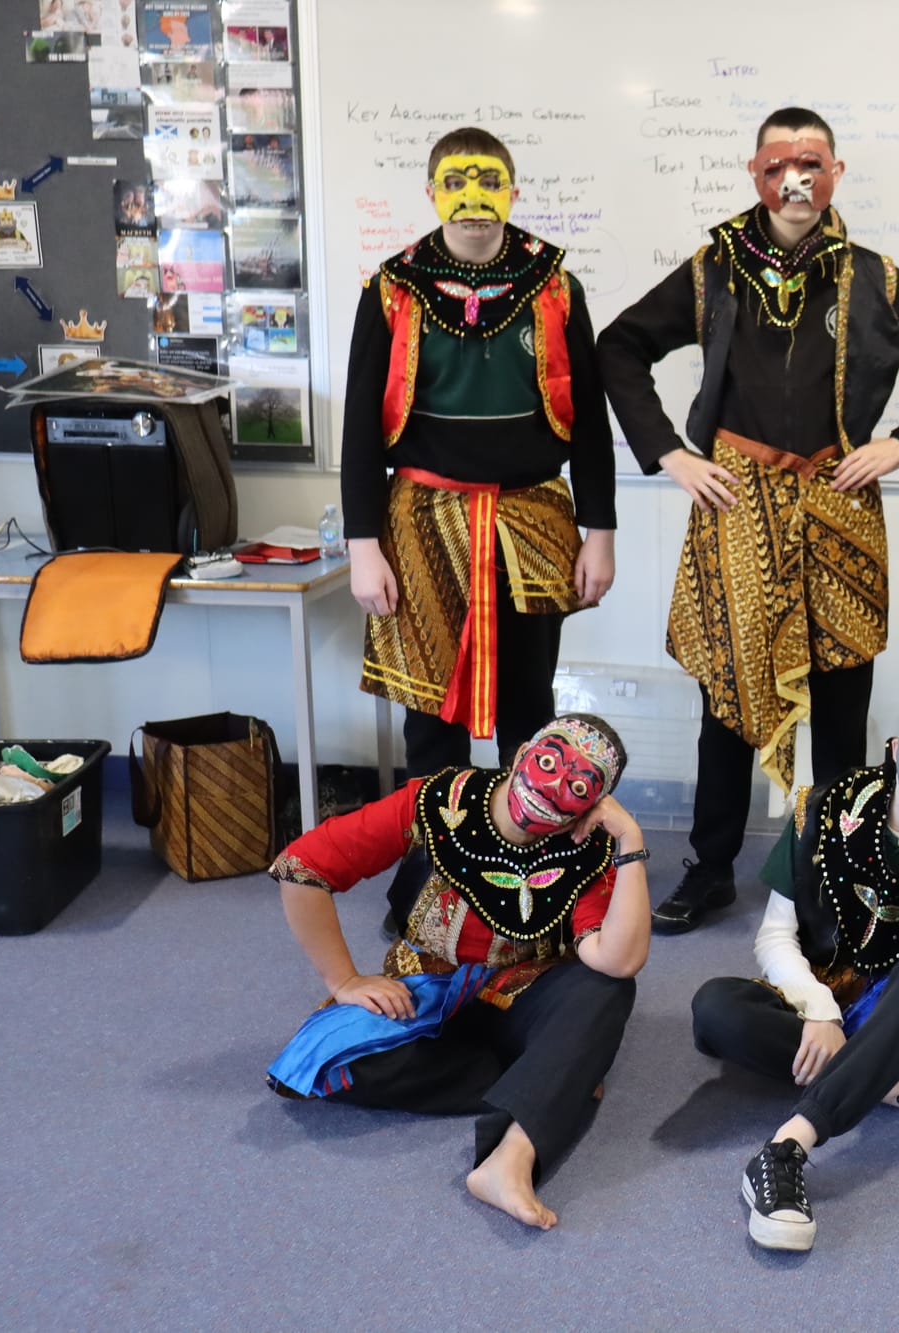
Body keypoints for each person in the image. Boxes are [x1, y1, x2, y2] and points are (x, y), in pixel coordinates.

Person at [598, 107, 899, 936]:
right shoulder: (715, 269)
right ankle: (711, 869)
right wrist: (671, 452)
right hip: (735, 499)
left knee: (844, 696)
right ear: (755, 173)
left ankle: (837, 869)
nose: (795, 181)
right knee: (729, 697)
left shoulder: (872, 276)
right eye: (779, 166)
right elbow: (618, 346)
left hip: (839, 497)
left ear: (836, 172)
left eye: (812, 164)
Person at [339, 127, 616, 930]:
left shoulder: (553, 283)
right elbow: (361, 425)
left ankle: (529, 880)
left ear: (512, 191)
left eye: (487, 181)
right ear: (432, 192)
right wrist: (364, 544)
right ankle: (433, 883)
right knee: (431, 716)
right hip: (420, 524)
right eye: (454, 182)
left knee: (531, 707)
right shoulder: (392, 288)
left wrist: (599, 528)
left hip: (531, 520)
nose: (472, 200)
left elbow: (590, 420)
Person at [263, 715, 649, 1231]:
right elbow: (303, 867)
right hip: (425, 990)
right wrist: (344, 982)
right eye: (550, 762)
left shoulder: (590, 848)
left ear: (595, 805)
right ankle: (556, 1075)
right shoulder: (438, 799)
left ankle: (511, 1157)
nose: (554, 788)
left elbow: (618, 959)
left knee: (606, 990)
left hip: (523, 992)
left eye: (580, 786)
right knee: (324, 1065)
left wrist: (631, 842)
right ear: (521, 751)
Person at [691, 690, 899, 1251]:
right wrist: (818, 1010)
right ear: (894, 748)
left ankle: (787, 1146)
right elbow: (774, 935)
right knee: (715, 1008)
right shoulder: (823, 806)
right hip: (824, 994)